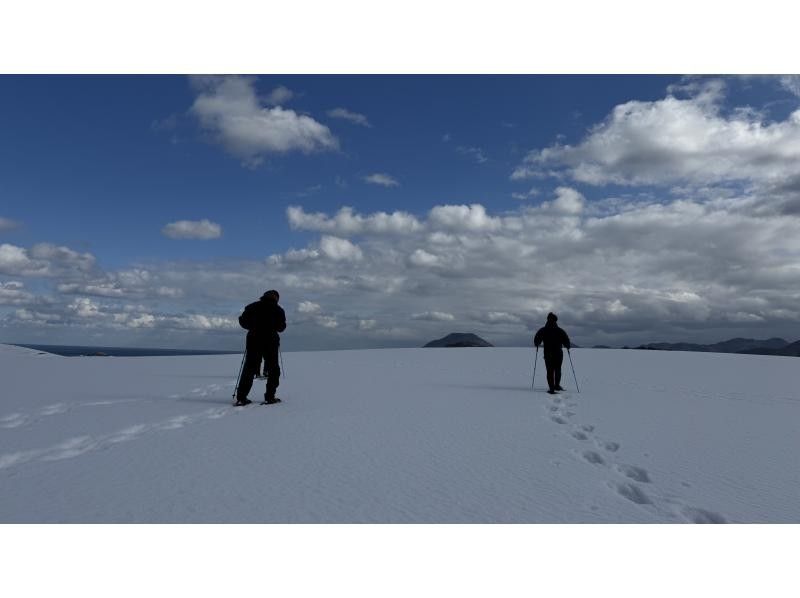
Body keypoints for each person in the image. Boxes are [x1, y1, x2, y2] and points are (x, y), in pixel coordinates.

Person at [234, 290, 286, 406]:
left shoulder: (252, 307)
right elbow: (281, 327)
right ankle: (270, 397)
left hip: (253, 341)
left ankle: (241, 398)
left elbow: (243, 322)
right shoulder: (278, 310)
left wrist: (253, 327)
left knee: (249, 369)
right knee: (273, 370)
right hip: (271, 342)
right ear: (276, 299)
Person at [533, 312, 571, 395]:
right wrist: (568, 346)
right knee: (558, 369)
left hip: (548, 353)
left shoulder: (543, 330)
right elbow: (566, 341)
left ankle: (551, 388)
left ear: (547, 319)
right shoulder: (560, 330)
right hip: (558, 354)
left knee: (550, 371)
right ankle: (556, 386)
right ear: (555, 320)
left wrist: (537, 344)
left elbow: (536, 340)